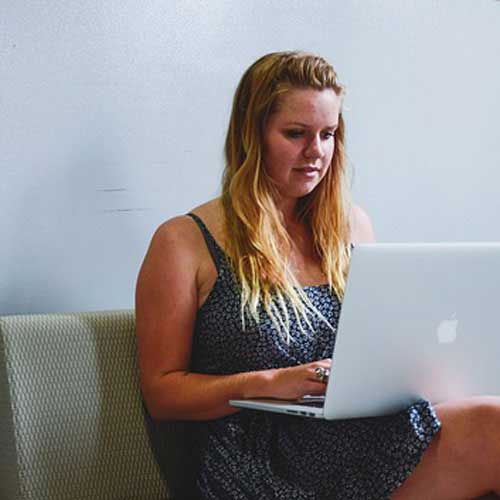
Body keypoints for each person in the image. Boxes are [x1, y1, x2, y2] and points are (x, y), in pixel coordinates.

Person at [135, 51, 500, 500]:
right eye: (296, 134)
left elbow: (378, 347)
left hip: (361, 439)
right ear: (252, 136)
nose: (316, 152)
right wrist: (270, 383)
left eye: (328, 134)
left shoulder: (351, 227)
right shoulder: (183, 241)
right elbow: (162, 393)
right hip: (258, 459)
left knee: (491, 419)